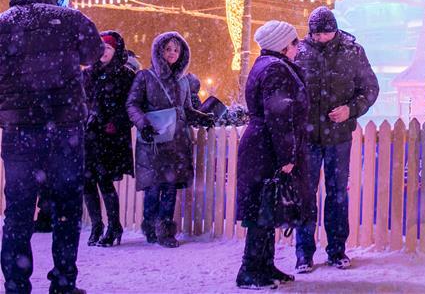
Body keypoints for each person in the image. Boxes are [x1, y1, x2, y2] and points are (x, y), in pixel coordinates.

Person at [0, 0, 104, 294]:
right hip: (65, 128)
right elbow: (95, 52)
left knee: (17, 209)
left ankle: (16, 283)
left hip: (18, 130)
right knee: (66, 206)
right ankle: (63, 280)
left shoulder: (4, 24)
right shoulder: (70, 19)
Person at [292, 6, 379, 273]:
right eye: (317, 35)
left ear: (335, 30)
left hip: (338, 137)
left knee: (338, 194)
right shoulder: (299, 52)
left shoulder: (352, 52)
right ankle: (304, 253)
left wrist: (350, 110)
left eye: (326, 34)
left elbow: (370, 88)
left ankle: (337, 250)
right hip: (307, 137)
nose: (321, 39)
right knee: (306, 195)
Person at [235, 21, 311, 289]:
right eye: (294, 42)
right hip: (266, 148)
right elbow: (280, 116)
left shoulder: (266, 65)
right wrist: (287, 156)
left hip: (260, 146)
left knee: (265, 207)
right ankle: (249, 269)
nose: (297, 46)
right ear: (282, 45)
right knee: (262, 209)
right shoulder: (276, 69)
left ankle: (264, 266)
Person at [126, 32, 215, 248]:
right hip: (154, 140)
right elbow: (132, 105)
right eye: (168, 49)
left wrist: (202, 117)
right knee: (154, 187)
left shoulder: (183, 80)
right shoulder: (145, 77)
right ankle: (151, 225)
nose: (172, 53)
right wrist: (143, 124)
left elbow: (185, 109)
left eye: (176, 49)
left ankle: (165, 230)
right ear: (159, 51)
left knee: (170, 187)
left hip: (177, 142)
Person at [83, 31, 135, 247]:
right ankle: (97, 225)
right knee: (86, 181)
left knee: (104, 180)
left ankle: (114, 225)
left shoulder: (125, 75)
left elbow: (131, 104)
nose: (104, 52)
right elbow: (80, 101)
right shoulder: (88, 74)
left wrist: (115, 122)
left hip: (109, 137)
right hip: (88, 135)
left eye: (109, 48)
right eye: (101, 48)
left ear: (116, 51)